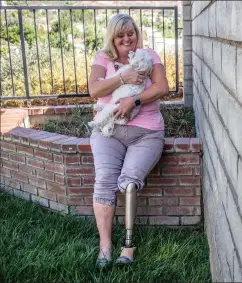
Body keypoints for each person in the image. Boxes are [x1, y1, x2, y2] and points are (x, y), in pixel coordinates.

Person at [87, 13, 168, 269]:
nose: (126, 38)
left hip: (146, 132)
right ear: (112, 37)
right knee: (104, 183)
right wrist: (124, 78)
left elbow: (162, 87)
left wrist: (133, 100)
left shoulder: (149, 55)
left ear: (136, 34)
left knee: (130, 183)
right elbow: (94, 90)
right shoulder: (103, 59)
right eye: (120, 35)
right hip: (108, 131)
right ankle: (105, 247)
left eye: (130, 33)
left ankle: (129, 245)